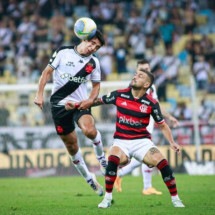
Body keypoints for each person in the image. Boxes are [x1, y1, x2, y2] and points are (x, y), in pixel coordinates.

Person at [65, 66, 185, 208]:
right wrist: (77, 104)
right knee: (113, 158)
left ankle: (176, 199)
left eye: (140, 76)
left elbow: (163, 125)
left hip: (143, 142)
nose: (135, 76)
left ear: (147, 84)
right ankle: (107, 199)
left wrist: (172, 142)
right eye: (135, 74)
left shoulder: (152, 103)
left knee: (162, 162)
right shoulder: (119, 95)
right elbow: (97, 101)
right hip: (121, 141)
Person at [34, 29, 107, 196]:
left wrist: (90, 99)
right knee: (71, 145)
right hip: (59, 106)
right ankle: (89, 178)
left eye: (97, 47)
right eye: (92, 43)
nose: (93, 48)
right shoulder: (63, 52)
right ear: (84, 39)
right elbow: (46, 73)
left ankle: (102, 160)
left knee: (89, 130)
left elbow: (96, 86)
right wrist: (39, 94)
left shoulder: (93, 63)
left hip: (80, 104)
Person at [114, 59, 179, 195]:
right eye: (142, 69)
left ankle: (144, 185)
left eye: (147, 69)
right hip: (137, 126)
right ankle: (126, 176)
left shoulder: (151, 87)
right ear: (137, 71)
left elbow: (157, 105)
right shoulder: (133, 87)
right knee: (145, 154)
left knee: (146, 155)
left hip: (148, 122)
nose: (146, 71)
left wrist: (168, 116)